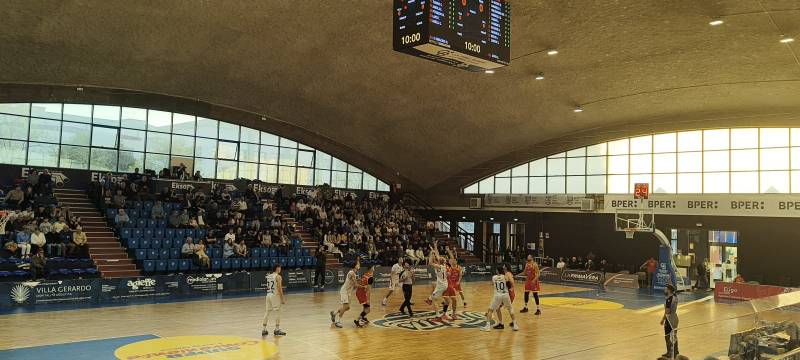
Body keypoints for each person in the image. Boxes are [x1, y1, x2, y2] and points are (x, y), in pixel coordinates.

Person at [481, 265, 519, 332]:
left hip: (497, 295)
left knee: (490, 310)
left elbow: (493, 284)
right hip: (505, 295)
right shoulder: (505, 276)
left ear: (497, 271)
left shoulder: (494, 277)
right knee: (510, 309)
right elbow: (509, 284)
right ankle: (515, 325)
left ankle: (487, 327)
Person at [330, 257, 359, 328]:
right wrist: (363, 286)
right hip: (344, 291)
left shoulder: (354, 272)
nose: (359, 266)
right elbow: (355, 285)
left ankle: (334, 313)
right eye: (357, 264)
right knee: (345, 306)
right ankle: (338, 321)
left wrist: (358, 260)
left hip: (348, 292)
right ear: (355, 266)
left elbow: (354, 284)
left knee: (348, 307)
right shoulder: (352, 273)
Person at [424, 242, 449, 322]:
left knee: (435, 299)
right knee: (434, 291)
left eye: (438, 259)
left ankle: (438, 316)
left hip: (441, 285)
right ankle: (429, 299)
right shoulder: (444, 265)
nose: (437, 258)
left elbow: (430, 263)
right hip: (444, 283)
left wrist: (431, 253)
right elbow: (438, 255)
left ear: (439, 261)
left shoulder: (438, 266)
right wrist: (435, 246)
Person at [261, 264, 286, 336]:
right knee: (278, 312)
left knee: (267, 312)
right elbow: (279, 288)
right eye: (280, 268)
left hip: (268, 294)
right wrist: (282, 298)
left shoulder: (268, 276)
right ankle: (277, 329)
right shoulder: (278, 277)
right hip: (275, 295)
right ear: (277, 268)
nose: (280, 269)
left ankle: (264, 329)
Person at [493, 264, 516, 329]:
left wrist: (512, 288)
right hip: (509, 293)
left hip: (508, 293)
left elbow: (512, 281)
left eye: (504, 266)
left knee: (498, 307)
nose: (503, 266)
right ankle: (513, 322)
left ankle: (501, 323)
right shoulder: (507, 273)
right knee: (509, 308)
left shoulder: (507, 274)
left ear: (505, 267)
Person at [660, 284, 679, 358]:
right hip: (675, 317)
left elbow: (667, 311)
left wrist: (662, 319)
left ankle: (669, 352)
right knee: (674, 336)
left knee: (667, 336)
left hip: (669, 319)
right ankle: (676, 351)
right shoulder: (675, 297)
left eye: (666, 289)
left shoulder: (669, 299)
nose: (665, 290)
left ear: (669, 290)